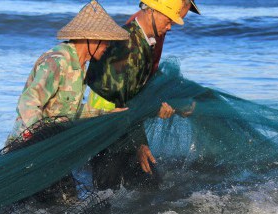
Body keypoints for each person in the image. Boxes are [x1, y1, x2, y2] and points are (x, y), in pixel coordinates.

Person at [7, 0, 129, 201]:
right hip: (28, 151)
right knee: (50, 203)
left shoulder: (80, 66)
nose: (108, 46)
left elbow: (69, 112)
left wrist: (105, 114)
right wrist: (40, 140)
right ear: (90, 38)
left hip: (53, 151)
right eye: (106, 40)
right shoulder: (57, 61)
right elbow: (28, 102)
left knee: (67, 200)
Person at [85, 0, 199, 190]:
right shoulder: (128, 45)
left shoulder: (145, 40)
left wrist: (172, 105)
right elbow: (124, 102)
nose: (170, 27)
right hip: (106, 127)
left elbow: (138, 89)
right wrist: (140, 144)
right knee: (107, 192)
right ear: (151, 12)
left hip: (123, 124)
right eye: (168, 20)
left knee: (146, 186)